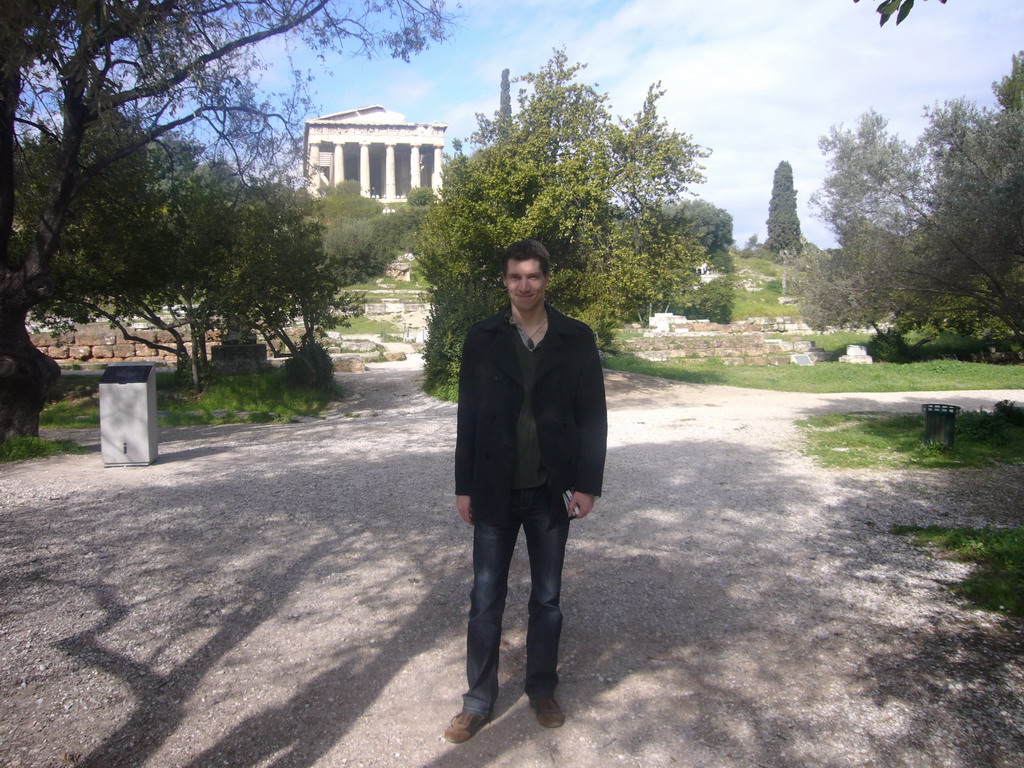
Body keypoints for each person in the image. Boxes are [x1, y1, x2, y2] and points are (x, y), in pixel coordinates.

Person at [443, 238, 608, 744]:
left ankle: (541, 688)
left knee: (547, 598)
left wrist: (588, 483)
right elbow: (467, 416)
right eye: (516, 276)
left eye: (533, 276)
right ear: (505, 280)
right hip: (493, 486)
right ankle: (478, 700)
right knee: (485, 596)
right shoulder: (483, 337)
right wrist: (464, 486)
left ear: (546, 280)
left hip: (549, 489)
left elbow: (592, 416)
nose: (524, 285)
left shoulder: (576, 338)